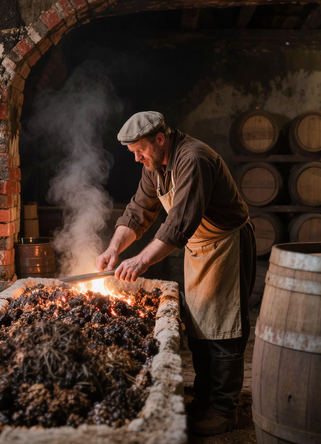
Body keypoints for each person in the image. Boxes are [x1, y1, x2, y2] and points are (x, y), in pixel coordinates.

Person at [96, 111, 256, 436]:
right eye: (133, 154)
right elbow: (138, 212)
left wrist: (140, 262)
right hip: (199, 248)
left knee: (224, 331)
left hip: (225, 244)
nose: (138, 158)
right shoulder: (154, 166)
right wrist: (115, 248)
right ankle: (204, 400)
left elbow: (179, 223)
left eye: (140, 150)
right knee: (198, 327)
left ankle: (224, 411)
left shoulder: (193, 159)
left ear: (160, 138)